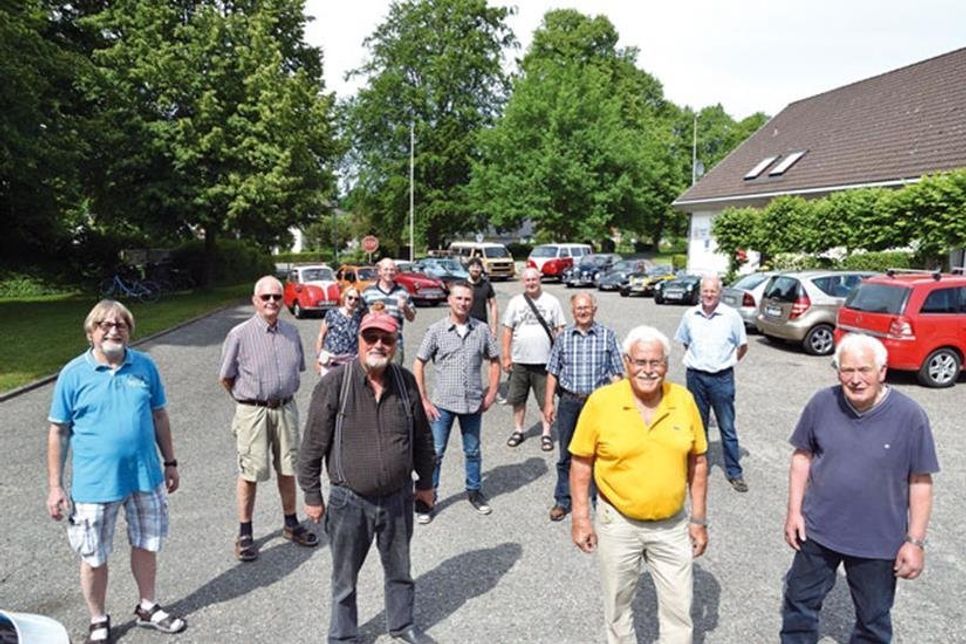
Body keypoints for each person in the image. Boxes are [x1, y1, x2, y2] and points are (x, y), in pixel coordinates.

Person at [780, 333, 939, 643]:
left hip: (878, 542)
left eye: (864, 370)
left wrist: (915, 542)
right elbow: (802, 457)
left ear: (882, 371)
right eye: (846, 370)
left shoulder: (910, 416)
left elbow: (920, 482)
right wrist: (794, 512)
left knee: (873, 621)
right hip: (817, 531)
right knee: (799, 604)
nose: (855, 379)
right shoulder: (822, 403)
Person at [46, 300, 186, 644]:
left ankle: (148, 606)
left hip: (145, 476)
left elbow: (159, 416)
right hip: (94, 484)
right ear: (91, 332)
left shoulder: (145, 367)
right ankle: (98, 618)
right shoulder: (73, 374)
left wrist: (170, 462)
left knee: (147, 543)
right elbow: (59, 431)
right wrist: (55, 485)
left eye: (121, 324)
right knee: (93, 556)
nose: (113, 330)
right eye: (105, 325)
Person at [298, 310, 436, 644]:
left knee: (400, 570)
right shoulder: (334, 384)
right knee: (344, 577)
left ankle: (402, 625)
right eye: (371, 337)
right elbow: (312, 445)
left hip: (399, 498)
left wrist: (427, 484)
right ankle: (343, 636)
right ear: (359, 340)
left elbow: (422, 438)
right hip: (349, 502)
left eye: (386, 339)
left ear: (395, 343)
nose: (378, 344)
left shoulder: (405, 382)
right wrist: (313, 495)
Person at [569, 325, 708, 644]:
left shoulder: (683, 400)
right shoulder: (601, 402)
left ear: (666, 365)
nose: (648, 370)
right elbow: (581, 462)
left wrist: (698, 520)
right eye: (640, 362)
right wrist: (580, 518)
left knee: (679, 609)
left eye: (655, 363)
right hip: (617, 522)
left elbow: (698, 462)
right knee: (617, 606)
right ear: (626, 362)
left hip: (672, 525)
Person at [219, 276, 318, 562]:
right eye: (266, 297)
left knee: (288, 467)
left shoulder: (291, 332)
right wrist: (246, 402)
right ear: (255, 301)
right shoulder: (239, 334)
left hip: (286, 408)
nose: (272, 302)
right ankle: (245, 532)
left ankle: (291, 523)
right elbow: (226, 377)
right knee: (250, 472)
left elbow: (296, 369)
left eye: (276, 296)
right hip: (253, 410)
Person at [413, 281, 501, 524]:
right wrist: (424, 399)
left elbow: (495, 360)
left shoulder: (481, 330)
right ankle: (428, 497)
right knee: (436, 453)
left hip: (473, 403)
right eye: (459, 298)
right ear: (449, 300)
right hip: (442, 404)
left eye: (467, 299)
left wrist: (492, 392)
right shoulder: (436, 330)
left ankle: (474, 491)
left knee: (472, 451)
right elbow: (419, 362)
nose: (463, 303)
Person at [543, 292, 623, 522]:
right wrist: (549, 403)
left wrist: (617, 405)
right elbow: (553, 372)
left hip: (598, 404)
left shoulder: (607, 336)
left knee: (600, 452)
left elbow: (617, 373)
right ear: (573, 311)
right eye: (579, 308)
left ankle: (603, 500)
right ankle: (563, 499)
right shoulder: (564, 337)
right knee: (567, 452)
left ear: (594, 309)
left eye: (587, 307)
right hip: (569, 401)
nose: (583, 311)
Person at [673, 274, 749, 492]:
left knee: (727, 426)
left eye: (713, 291)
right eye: (705, 291)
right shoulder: (690, 315)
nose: (708, 295)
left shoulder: (731, 316)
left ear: (720, 293)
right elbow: (685, 343)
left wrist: (728, 362)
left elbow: (742, 346)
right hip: (696, 376)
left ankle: (735, 472)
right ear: (700, 292)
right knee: (697, 425)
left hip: (721, 378)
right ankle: (698, 469)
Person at [501, 266, 565, 451]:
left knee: (546, 400)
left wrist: (560, 357)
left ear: (540, 280)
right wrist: (506, 355)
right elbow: (507, 330)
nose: (531, 283)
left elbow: (559, 329)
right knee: (517, 399)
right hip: (520, 360)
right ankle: (518, 430)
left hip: (545, 361)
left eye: (534, 279)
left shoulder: (552, 301)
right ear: (523, 282)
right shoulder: (515, 302)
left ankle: (546, 433)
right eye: (527, 280)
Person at [362, 258, 416, 365]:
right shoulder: (368, 291)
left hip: (394, 342)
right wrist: (370, 315)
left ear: (395, 272)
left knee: (394, 376)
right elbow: (360, 317)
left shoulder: (402, 291)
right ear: (379, 271)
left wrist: (405, 307)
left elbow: (412, 317)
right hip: (372, 343)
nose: (389, 272)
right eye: (386, 269)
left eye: (392, 270)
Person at [315, 286, 366, 377]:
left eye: (356, 299)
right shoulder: (332, 314)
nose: (352, 301)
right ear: (344, 297)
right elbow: (321, 336)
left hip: (349, 363)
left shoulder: (359, 318)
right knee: (329, 389)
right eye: (350, 297)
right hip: (329, 363)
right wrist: (318, 358)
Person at [465, 256, 499, 335]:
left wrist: (494, 328)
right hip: (464, 326)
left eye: (478, 267)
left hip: (482, 326)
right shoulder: (463, 285)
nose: (475, 269)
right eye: (473, 267)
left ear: (481, 269)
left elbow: (493, 305)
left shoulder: (486, 285)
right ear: (468, 269)